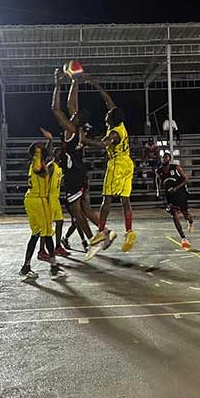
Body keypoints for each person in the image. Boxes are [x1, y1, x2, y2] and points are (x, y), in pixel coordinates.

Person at [82, 73, 137, 259]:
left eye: (107, 115)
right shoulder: (120, 124)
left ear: (111, 119)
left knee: (107, 199)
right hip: (128, 163)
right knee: (125, 200)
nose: (106, 114)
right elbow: (108, 101)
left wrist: (84, 140)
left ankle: (101, 231)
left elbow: (103, 144)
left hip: (118, 164)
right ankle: (129, 232)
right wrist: (96, 85)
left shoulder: (114, 132)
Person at [50, 69, 100, 253]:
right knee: (82, 209)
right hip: (80, 171)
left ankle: (99, 236)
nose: (72, 113)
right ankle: (95, 237)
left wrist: (57, 83)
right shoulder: (79, 129)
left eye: (75, 114)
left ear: (77, 119)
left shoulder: (71, 128)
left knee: (76, 211)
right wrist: (75, 82)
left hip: (73, 173)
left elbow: (56, 109)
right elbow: (72, 105)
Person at [20, 141, 67, 280]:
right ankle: (53, 266)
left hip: (30, 200)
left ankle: (26, 266)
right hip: (39, 201)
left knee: (36, 234)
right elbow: (40, 168)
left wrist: (50, 141)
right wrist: (43, 149)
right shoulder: (37, 164)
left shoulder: (36, 162)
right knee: (47, 234)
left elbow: (46, 156)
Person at [36, 132, 70, 259]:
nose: (61, 155)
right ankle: (41, 250)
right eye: (59, 153)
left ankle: (57, 247)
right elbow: (42, 176)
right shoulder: (51, 166)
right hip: (48, 198)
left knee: (60, 222)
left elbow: (59, 183)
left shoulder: (60, 169)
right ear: (55, 156)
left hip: (55, 198)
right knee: (47, 226)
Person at [156, 152, 195, 249]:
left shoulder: (176, 168)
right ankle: (183, 239)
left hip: (180, 193)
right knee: (175, 215)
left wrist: (176, 188)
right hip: (170, 196)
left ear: (169, 159)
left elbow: (186, 180)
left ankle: (190, 222)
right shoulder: (158, 171)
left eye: (166, 157)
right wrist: (158, 191)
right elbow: (158, 180)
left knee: (186, 214)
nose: (164, 159)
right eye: (163, 157)